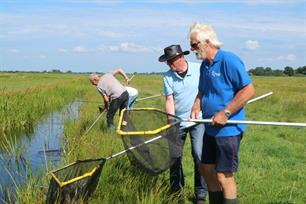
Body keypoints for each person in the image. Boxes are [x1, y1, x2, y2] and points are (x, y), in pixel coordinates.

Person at [188, 23, 255, 204]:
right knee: (207, 169)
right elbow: (202, 90)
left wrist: (226, 113)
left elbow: (248, 90)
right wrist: (196, 105)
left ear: (207, 42)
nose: (192, 49)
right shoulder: (205, 66)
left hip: (228, 130)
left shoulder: (229, 60)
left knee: (224, 176)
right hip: (210, 127)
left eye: (194, 44)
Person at [158, 44, 207, 203]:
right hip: (178, 122)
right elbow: (169, 100)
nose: (169, 64)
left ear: (181, 58)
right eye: (167, 62)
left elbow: (205, 90)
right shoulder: (167, 76)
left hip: (198, 120)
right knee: (174, 157)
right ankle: (176, 192)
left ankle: (200, 193)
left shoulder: (199, 69)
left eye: (171, 61)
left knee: (199, 154)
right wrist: (171, 122)